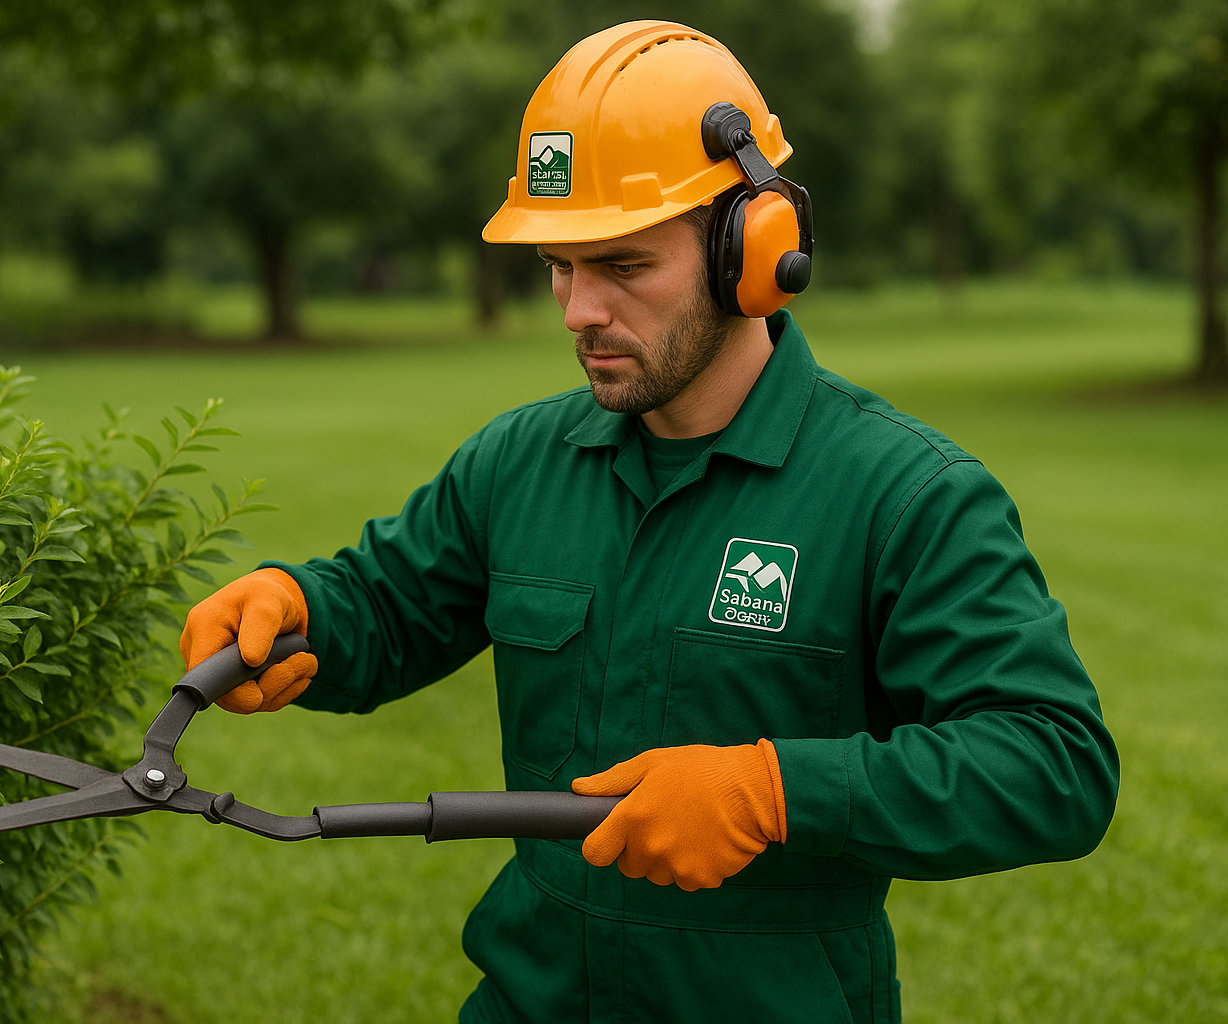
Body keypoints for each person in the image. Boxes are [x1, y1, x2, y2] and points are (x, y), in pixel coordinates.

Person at [178, 20, 1120, 1024]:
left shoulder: (904, 495)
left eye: (622, 266)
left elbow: (1053, 761)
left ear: (752, 251)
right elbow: (391, 603)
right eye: (559, 266)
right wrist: (297, 607)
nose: (579, 310)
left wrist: (772, 791)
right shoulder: (520, 463)